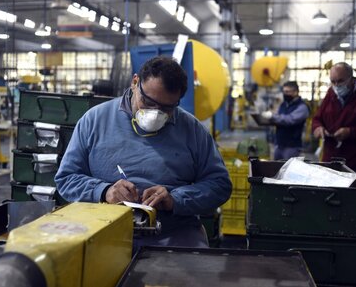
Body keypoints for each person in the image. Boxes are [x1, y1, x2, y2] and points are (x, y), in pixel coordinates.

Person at [55, 56, 232, 249]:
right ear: (135, 83)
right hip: (104, 231)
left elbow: (219, 185)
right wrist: (104, 191)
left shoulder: (193, 131)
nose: (155, 113)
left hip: (172, 232)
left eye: (166, 108)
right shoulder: (94, 121)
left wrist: (175, 199)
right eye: (148, 102)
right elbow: (67, 178)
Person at [261, 81, 309, 160]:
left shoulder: (302, 107)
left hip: (292, 147)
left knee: (288, 170)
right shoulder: (283, 104)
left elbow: (289, 120)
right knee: (276, 169)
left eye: (287, 92)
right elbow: (278, 116)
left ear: (295, 92)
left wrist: (272, 116)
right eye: (284, 91)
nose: (284, 94)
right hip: (279, 145)